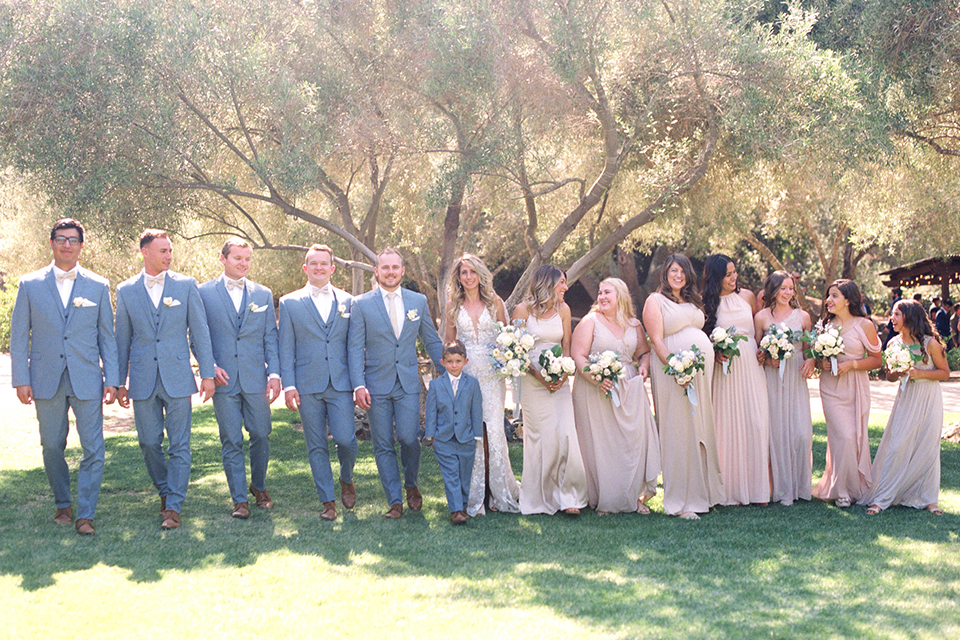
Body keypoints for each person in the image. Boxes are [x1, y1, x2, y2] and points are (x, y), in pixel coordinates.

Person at [10, 219, 119, 535]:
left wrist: (111, 378)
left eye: (73, 240)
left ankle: (85, 513)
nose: (67, 245)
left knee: (93, 448)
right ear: (51, 242)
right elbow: (19, 336)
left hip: (86, 376)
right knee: (52, 445)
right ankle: (62, 503)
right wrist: (21, 378)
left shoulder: (98, 285)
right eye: (61, 239)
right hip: (45, 378)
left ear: (81, 246)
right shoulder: (29, 285)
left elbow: (106, 337)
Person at [115, 229, 215, 530]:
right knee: (148, 443)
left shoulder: (186, 286)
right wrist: (120, 381)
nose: (169, 256)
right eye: (163, 251)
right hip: (143, 378)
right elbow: (122, 339)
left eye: (170, 250)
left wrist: (207, 374)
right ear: (145, 252)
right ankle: (165, 489)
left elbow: (200, 332)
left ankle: (173, 506)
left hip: (177, 377)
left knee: (180, 444)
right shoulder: (126, 290)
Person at [348, 248, 444, 518]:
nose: (390, 272)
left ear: (402, 271)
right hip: (374, 385)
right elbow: (355, 348)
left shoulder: (418, 301)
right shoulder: (361, 304)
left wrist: (449, 372)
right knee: (382, 444)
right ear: (377, 271)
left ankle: (411, 484)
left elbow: (431, 339)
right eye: (385, 267)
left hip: (407, 384)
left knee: (409, 437)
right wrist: (358, 385)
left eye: (395, 267)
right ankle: (394, 500)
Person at [198, 238, 281, 520]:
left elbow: (271, 336)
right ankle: (239, 499)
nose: (243, 263)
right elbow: (197, 335)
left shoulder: (263, 294)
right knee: (231, 438)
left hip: (255, 377)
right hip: (223, 380)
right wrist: (208, 367)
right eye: (238, 258)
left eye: (247, 259)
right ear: (223, 259)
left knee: (261, 433)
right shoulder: (203, 293)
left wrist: (274, 374)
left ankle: (258, 485)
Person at [278, 244, 358, 521]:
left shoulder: (349, 301)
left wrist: (358, 383)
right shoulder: (289, 303)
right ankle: (328, 501)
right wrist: (289, 385)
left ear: (332, 268)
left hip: (341, 383)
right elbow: (285, 347)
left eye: (324, 264)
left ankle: (346, 478)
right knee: (316, 444)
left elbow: (354, 346)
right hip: (307, 384)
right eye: (314, 264)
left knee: (347, 439)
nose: (319, 268)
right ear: (306, 268)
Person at [643, 254, 725, 520]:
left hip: (698, 376)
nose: (678, 275)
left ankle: (705, 493)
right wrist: (676, 369)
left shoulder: (692, 300)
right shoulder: (655, 301)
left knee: (700, 427)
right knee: (679, 431)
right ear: (665, 273)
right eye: (673, 271)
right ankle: (682, 501)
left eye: (682, 271)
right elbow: (656, 341)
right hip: (673, 375)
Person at [571, 277, 660, 514]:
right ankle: (605, 499)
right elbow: (578, 355)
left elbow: (644, 352)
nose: (602, 297)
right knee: (601, 445)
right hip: (595, 390)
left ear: (620, 296)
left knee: (628, 444)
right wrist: (595, 378)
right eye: (600, 293)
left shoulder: (634, 324)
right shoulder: (590, 322)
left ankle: (632, 497)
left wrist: (644, 366)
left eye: (607, 292)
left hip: (628, 389)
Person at [443, 254, 520, 516]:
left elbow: (507, 337)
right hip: (466, 376)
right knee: (472, 435)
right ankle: (474, 497)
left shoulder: (495, 303)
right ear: (458, 277)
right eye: (463, 272)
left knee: (495, 432)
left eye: (472, 272)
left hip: (491, 376)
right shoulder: (453, 305)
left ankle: (499, 494)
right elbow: (449, 342)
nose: (468, 277)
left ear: (480, 275)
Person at [513, 265, 587, 516]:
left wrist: (563, 373)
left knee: (566, 434)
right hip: (533, 381)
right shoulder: (522, 310)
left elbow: (566, 348)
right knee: (540, 438)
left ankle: (569, 497)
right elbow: (516, 351)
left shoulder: (564, 310)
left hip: (560, 383)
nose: (566, 288)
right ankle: (539, 497)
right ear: (547, 283)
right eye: (562, 283)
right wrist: (541, 377)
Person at [862, 299, 948, 515]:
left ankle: (928, 499)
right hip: (906, 398)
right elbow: (889, 376)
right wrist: (898, 372)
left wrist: (920, 373)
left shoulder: (930, 344)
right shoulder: (892, 344)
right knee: (897, 445)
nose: (892, 318)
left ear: (909, 317)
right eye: (893, 314)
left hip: (928, 399)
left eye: (896, 314)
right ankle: (882, 497)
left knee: (927, 448)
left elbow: (944, 372)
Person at [701, 254, 770, 506]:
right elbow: (702, 336)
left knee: (756, 420)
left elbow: (758, 328)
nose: (734, 278)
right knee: (725, 424)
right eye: (728, 274)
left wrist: (765, 349)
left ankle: (757, 490)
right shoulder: (706, 303)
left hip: (751, 364)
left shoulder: (748, 297)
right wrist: (715, 351)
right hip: (724, 370)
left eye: (734, 272)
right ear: (716, 277)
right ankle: (728, 490)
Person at [807, 279, 881, 508]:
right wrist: (821, 364)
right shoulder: (824, 326)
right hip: (830, 387)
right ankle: (842, 490)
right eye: (828, 296)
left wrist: (852, 365)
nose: (828, 300)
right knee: (842, 436)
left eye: (835, 296)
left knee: (853, 437)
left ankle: (855, 486)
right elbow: (819, 357)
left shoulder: (864, 325)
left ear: (848, 300)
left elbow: (877, 360)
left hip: (855, 386)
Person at [754, 271, 813, 506]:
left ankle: (800, 487)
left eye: (791, 288)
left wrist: (811, 360)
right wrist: (767, 360)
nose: (787, 293)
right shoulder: (761, 318)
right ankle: (780, 490)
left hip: (796, 374)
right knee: (776, 432)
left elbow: (809, 349)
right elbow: (756, 352)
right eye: (783, 288)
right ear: (773, 290)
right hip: (772, 377)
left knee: (801, 433)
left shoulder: (803, 317)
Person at [424, 340, 484, 525]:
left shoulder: (472, 384)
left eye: (458, 361)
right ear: (442, 362)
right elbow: (431, 411)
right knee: (451, 474)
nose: (454, 365)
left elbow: (476, 410)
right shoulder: (435, 385)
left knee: (464, 475)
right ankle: (456, 510)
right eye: (449, 361)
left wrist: (477, 435)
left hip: (466, 438)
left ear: (465, 361)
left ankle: (463, 506)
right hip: (443, 439)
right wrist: (431, 435)